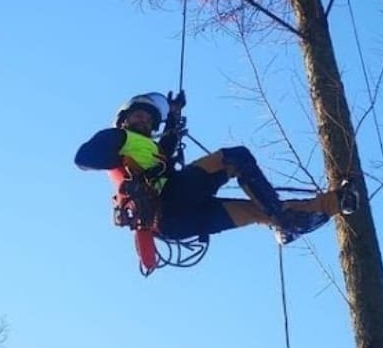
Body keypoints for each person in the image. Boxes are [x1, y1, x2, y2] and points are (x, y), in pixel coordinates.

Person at [75, 91, 358, 247]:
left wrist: (173, 115)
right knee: (235, 157)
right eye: (138, 115)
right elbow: (85, 158)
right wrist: (114, 151)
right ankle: (284, 219)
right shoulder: (121, 139)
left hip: (171, 225)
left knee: (255, 211)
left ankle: (336, 203)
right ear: (123, 120)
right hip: (169, 203)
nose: (144, 121)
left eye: (150, 120)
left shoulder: (150, 150)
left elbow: (167, 148)